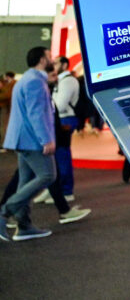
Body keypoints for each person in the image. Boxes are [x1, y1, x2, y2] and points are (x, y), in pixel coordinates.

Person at [0, 46, 57, 241]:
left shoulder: (25, 79)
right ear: (42, 60)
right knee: (48, 175)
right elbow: (36, 114)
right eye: (49, 56)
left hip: (22, 140)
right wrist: (46, 139)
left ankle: (24, 227)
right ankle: (4, 212)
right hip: (32, 140)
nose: (52, 58)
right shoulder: (34, 82)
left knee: (25, 182)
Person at [50, 55, 79, 200]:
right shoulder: (60, 81)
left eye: (56, 63)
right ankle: (57, 190)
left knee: (62, 156)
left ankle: (66, 191)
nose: (53, 65)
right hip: (60, 119)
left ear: (65, 64)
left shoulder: (68, 81)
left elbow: (60, 106)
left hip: (65, 120)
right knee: (57, 156)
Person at [0, 71, 15, 151]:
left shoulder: (12, 84)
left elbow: (7, 95)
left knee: (4, 126)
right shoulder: (10, 84)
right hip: (7, 107)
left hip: (7, 107)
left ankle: (4, 145)